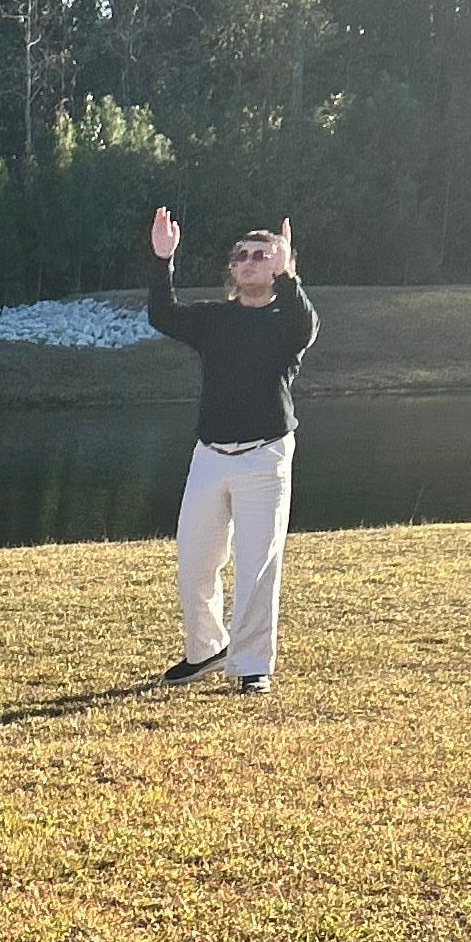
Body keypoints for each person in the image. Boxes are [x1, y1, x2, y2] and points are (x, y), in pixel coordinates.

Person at [143, 207, 316, 694]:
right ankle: (206, 650)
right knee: (195, 561)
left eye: (262, 255)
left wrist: (289, 274)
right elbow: (162, 314)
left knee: (258, 564)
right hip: (210, 456)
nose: (250, 261)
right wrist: (163, 260)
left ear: (278, 266)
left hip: (266, 457)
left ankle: (252, 665)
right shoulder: (214, 319)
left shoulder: (287, 320)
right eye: (243, 256)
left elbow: (307, 325)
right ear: (232, 270)